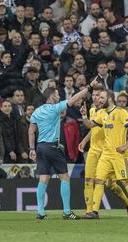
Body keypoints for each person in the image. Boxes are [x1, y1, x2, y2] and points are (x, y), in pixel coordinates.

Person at [28, 86, 89, 220]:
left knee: (43, 179)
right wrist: (87, 88)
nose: (59, 96)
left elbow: (31, 131)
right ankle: (67, 212)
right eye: (57, 94)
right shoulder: (55, 108)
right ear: (52, 97)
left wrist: (32, 149)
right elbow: (73, 99)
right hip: (53, 147)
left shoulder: (37, 111)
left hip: (40, 147)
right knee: (64, 178)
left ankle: (41, 213)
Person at [80, 90, 128, 219]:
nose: (99, 100)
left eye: (102, 97)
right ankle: (94, 212)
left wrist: (126, 145)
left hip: (119, 154)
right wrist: (84, 116)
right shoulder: (103, 114)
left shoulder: (120, 112)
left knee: (126, 181)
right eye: (99, 97)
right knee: (99, 180)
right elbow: (90, 125)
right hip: (106, 155)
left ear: (110, 99)